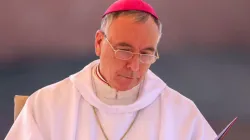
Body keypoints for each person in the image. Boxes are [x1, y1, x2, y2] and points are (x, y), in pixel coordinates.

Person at [5, 0, 217, 139]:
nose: (134, 66)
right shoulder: (47, 105)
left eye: (146, 54)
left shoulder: (181, 112)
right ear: (99, 43)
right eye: (124, 50)